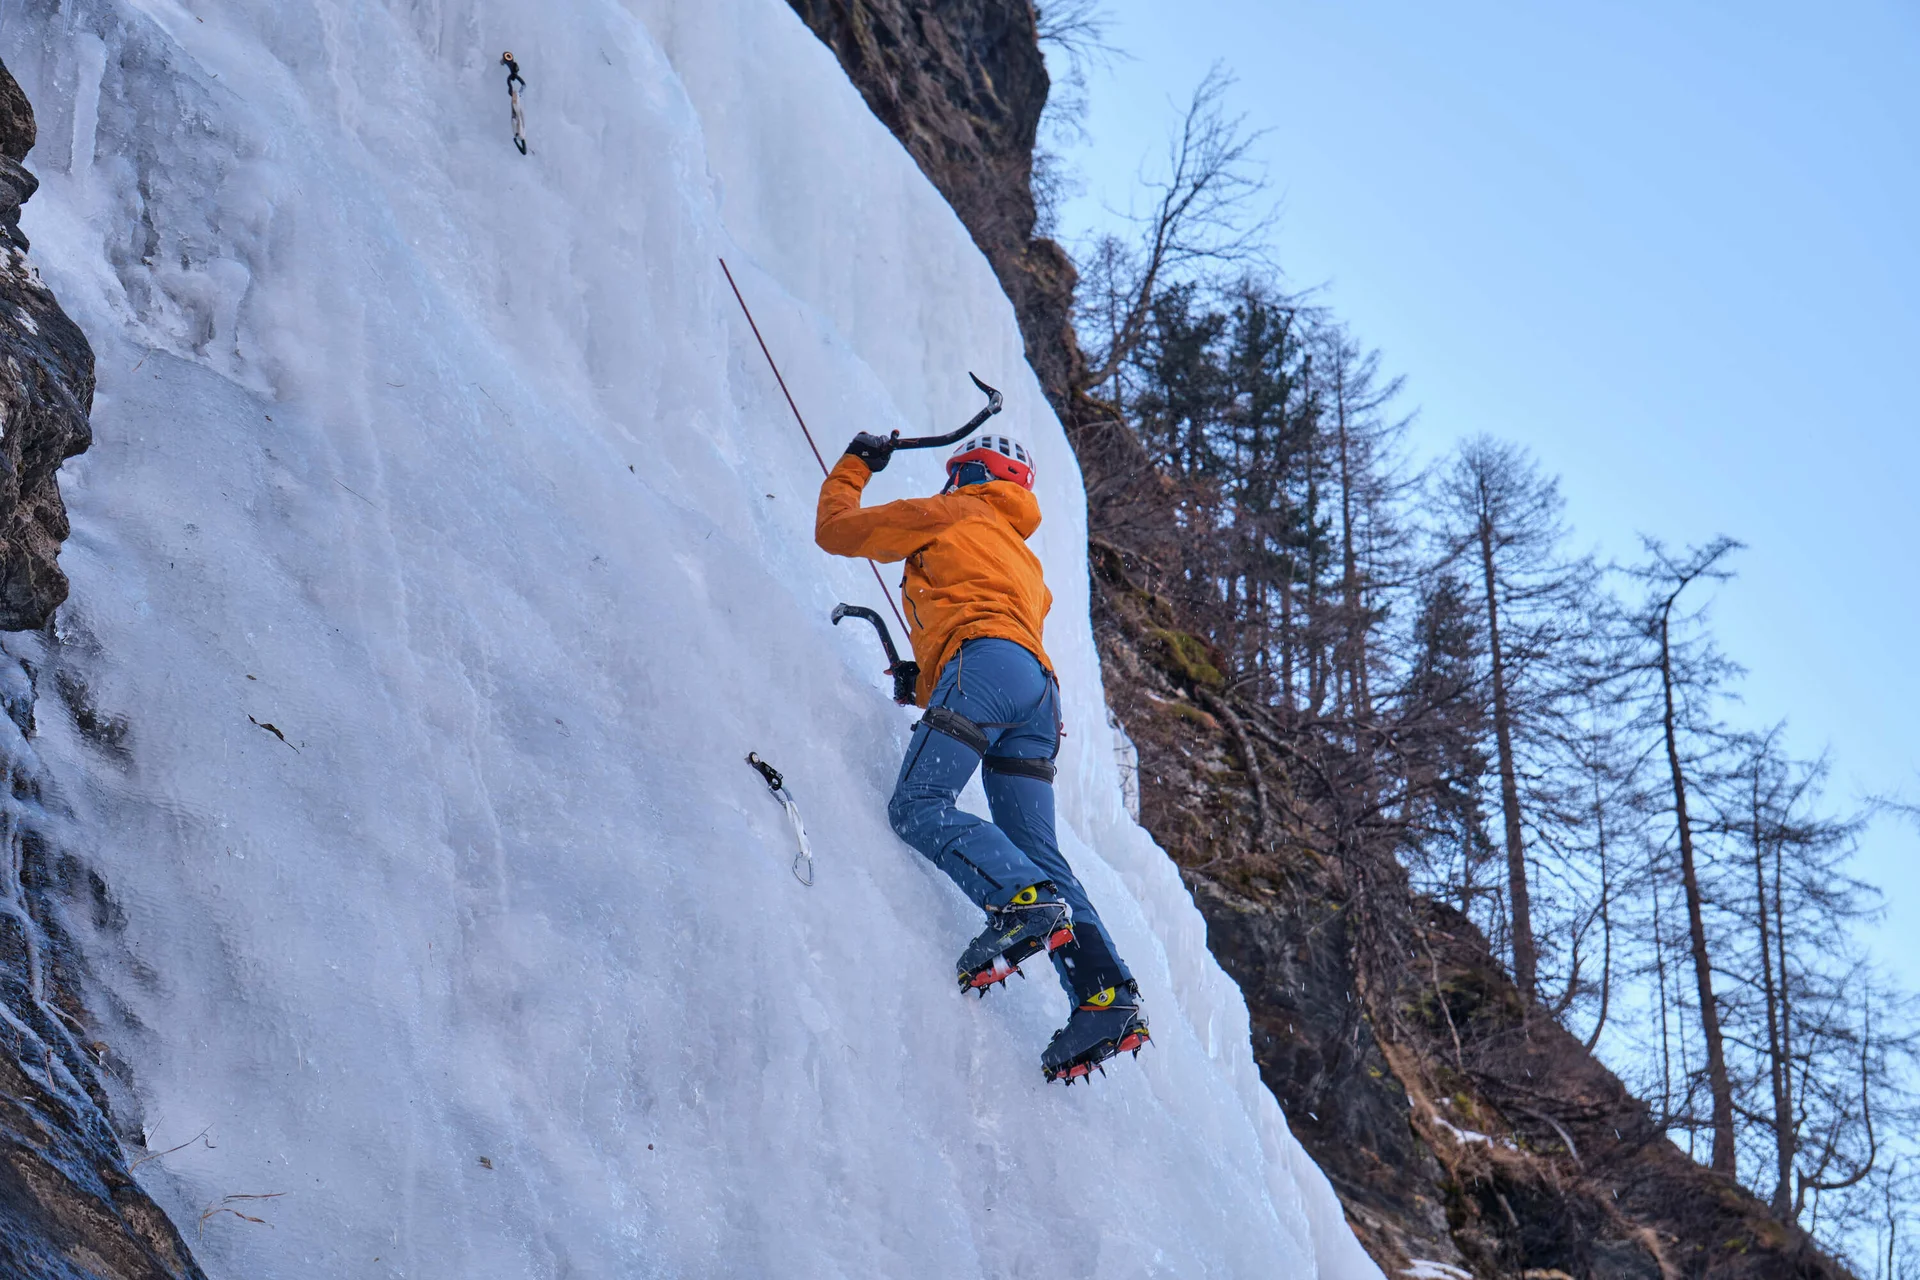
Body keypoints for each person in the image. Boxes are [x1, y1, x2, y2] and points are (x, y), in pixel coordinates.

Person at [815, 426, 1150, 1083]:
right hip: (1038, 697)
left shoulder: (953, 512)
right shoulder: (1024, 559)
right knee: (1043, 853)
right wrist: (935, 679)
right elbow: (994, 621)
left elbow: (838, 529)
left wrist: (856, 462)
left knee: (919, 805)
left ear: (966, 475)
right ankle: (1104, 997)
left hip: (986, 668)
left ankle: (1020, 903)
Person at [500, 52, 528, 155]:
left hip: (516, 100)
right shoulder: (519, 133)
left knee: (517, 114)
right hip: (517, 100)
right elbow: (523, 85)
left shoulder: (518, 132)